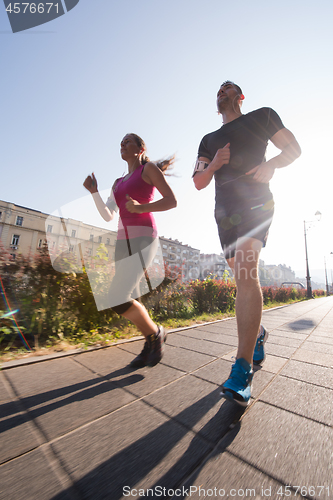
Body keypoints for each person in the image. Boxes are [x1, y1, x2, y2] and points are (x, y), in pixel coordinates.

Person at [193, 81, 301, 405]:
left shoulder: (262, 117)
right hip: (225, 213)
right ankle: (259, 334)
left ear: (240, 97)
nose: (221, 91)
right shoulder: (208, 140)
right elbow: (198, 181)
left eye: (228, 88)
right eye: (218, 90)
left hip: (256, 203)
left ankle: (241, 370)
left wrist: (271, 164)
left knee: (245, 270)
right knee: (241, 277)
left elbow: (293, 149)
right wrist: (215, 163)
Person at [84, 133, 177, 368]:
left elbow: (171, 201)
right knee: (123, 297)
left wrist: (140, 207)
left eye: (127, 141)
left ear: (140, 147)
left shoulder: (148, 169)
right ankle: (151, 340)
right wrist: (94, 192)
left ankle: (156, 334)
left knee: (117, 297)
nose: (122, 144)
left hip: (144, 238)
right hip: (122, 241)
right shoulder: (117, 182)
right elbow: (108, 215)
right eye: (120, 143)